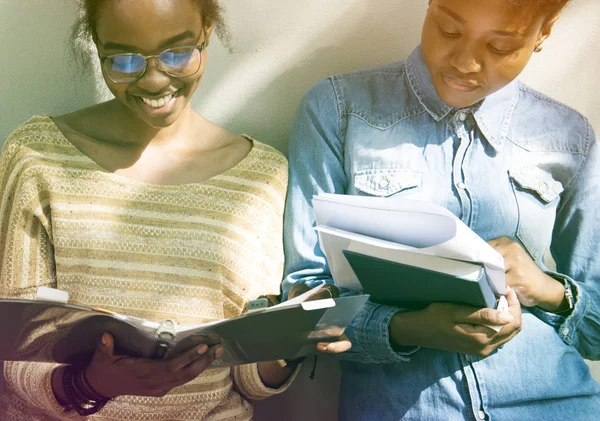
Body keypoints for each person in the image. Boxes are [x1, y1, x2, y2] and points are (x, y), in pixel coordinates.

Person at [283, 0, 600, 419]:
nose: (466, 63)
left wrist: (549, 291)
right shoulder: (339, 110)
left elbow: (595, 331)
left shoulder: (569, 135)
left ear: (543, 33)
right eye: (449, 30)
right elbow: (302, 307)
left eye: (501, 47)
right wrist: (408, 328)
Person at [0, 0, 298, 420]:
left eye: (178, 54)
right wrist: (90, 385)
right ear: (97, 47)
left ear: (206, 31)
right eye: (123, 60)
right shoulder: (37, 156)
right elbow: (15, 347)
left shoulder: (262, 174)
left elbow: (247, 374)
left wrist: (295, 344)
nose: (155, 80)